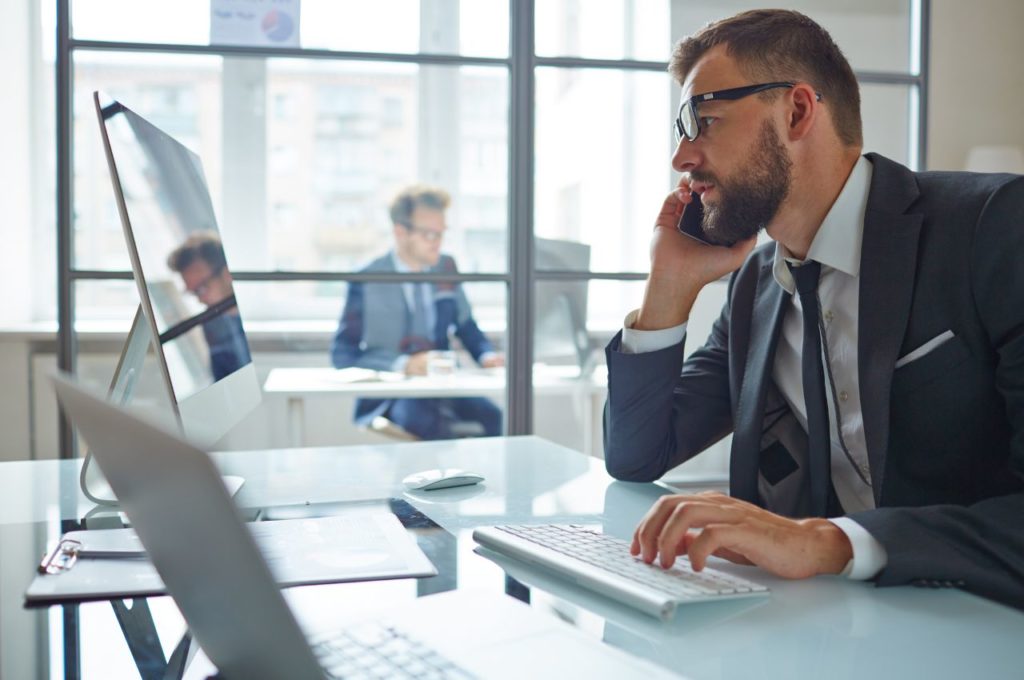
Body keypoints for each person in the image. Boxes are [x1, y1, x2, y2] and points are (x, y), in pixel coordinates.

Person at [604, 9, 1024, 610]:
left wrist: (830, 543)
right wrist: (669, 286)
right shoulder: (758, 285)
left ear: (798, 110)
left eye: (704, 121)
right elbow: (638, 454)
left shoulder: (995, 227)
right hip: (838, 623)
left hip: (982, 619)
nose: (683, 157)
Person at [330, 185, 504, 440]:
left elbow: (467, 327)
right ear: (401, 232)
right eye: (429, 235)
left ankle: (477, 479)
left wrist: (486, 355)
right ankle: (443, 480)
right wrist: (404, 364)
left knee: (493, 416)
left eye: (441, 234)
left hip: (442, 385)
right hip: (393, 394)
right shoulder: (366, 278)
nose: (438, 244)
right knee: (423, 420)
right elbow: (343, 354)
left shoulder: (446, 267)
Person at [167, 231, 251, 381]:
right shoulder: (212, 323)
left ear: (227, 274)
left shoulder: (251, 317)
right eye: (194, 293)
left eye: (201, 289)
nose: (200, 300)